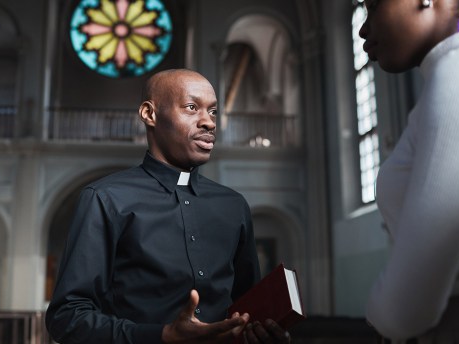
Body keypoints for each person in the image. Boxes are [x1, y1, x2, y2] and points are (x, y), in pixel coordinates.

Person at [45, 69, 292, 344]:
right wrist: (162, 336)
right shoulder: (105, 199)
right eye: (191, 107)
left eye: (213, 112)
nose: (208, 123)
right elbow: (66, 317)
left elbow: (247, 310)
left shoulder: (234, 206)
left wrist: (262, 333)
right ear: (150, 114)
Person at [359, 0, 459, 342]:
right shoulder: (456, 71)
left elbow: (405, 310)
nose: (364, 29)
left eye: (373, 6)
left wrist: (379, 316)